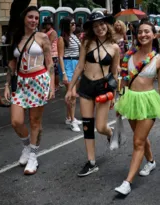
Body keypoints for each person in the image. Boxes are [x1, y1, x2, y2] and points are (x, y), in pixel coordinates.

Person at [114, 21, 160, 195]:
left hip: (148, 101)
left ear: (154, 35)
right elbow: (123, 80)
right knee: (140, 136)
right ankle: (151, 161)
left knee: (138, 141)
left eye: (147, 32)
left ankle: (127, 182)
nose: (143, 35)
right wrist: (120, 100)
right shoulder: (128, 56)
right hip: (130, 99)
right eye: (140, 32)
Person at [65, 12, 120, 177]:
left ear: (107, 25)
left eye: (102, 24)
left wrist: (115, 95)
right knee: (87, 126)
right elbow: (80, 67)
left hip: (103, 87)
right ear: (92, 29)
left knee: (100, 127)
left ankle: (111, 133)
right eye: (95, 26)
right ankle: (91, 162)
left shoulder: (115, 47)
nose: (100, 28)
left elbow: (115, 74)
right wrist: (70, 89)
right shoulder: (86, 43)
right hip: (86, 86)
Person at [4, 6, 55, 175]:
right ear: (24, 18)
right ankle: (26, 146)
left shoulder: (42, 37)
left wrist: (51, 86)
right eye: (30, 17)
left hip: (38, 81)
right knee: (16, 121)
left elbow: (49, 63)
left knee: (35, 121)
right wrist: (6, 85)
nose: (34, 20)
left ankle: (33, 155)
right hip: (20, 83)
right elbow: (12, 63)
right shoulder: (16, 37)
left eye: (36, 18)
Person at [58, 17, 82, 132]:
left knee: (74, 94)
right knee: (71, 95)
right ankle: (72, 121)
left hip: (76, 65)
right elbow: (60, 57)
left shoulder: (75, 37)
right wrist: (64, 73)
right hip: (68, 64)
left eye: (74, 23)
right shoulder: (61, 38)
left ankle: (69, 117)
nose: (74, 25)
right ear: (66, 25)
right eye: (72, 23)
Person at [43, 16, 59, 90]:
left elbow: (49, 42)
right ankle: (50, 84)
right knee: (48, 70)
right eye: (46, 24)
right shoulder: (45, 32)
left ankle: (56, 85)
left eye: (48, 24)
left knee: (54, 71)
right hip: (47, 54)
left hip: (53, 54)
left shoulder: (53, 32)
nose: (47, 25)